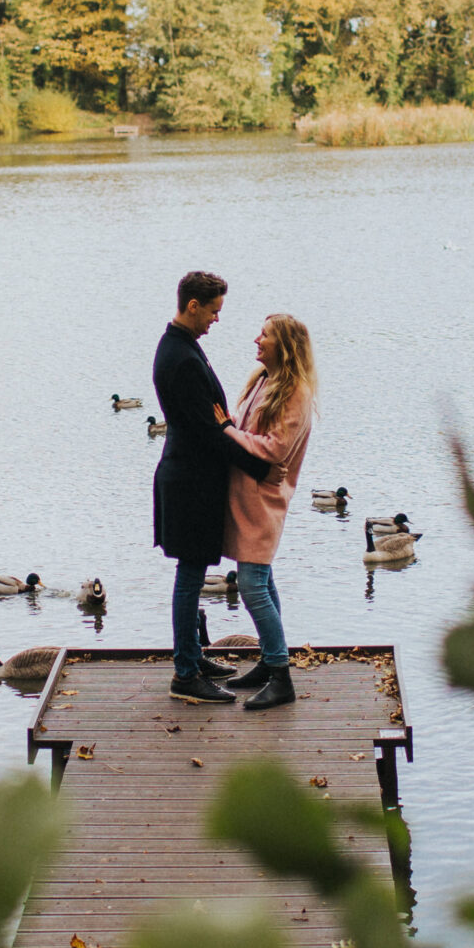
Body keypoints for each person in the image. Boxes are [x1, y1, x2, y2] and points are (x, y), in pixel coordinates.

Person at [152, 270, 274, 704]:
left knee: (193, 573)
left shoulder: (182, 348)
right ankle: (185, 675)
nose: (216, 320)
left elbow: (216, 416)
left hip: (191, 477)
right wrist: (259, 465)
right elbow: (208, 429)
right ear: (193, 306)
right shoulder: (181, 358)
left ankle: (193, 656)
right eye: (214, 311)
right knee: (190, 578)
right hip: (190, 483)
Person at [214, 314, 316, 711]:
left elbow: (274, 448)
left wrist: (225, 429)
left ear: (284, 345)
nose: (257, 339)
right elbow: (247, 429)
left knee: (252, 583)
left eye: (266, 335)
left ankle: (281, 676)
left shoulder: (296, 392)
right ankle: (269, 660)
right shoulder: (262, 380)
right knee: (261, 578)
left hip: (263, 497)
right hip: (245, 493)